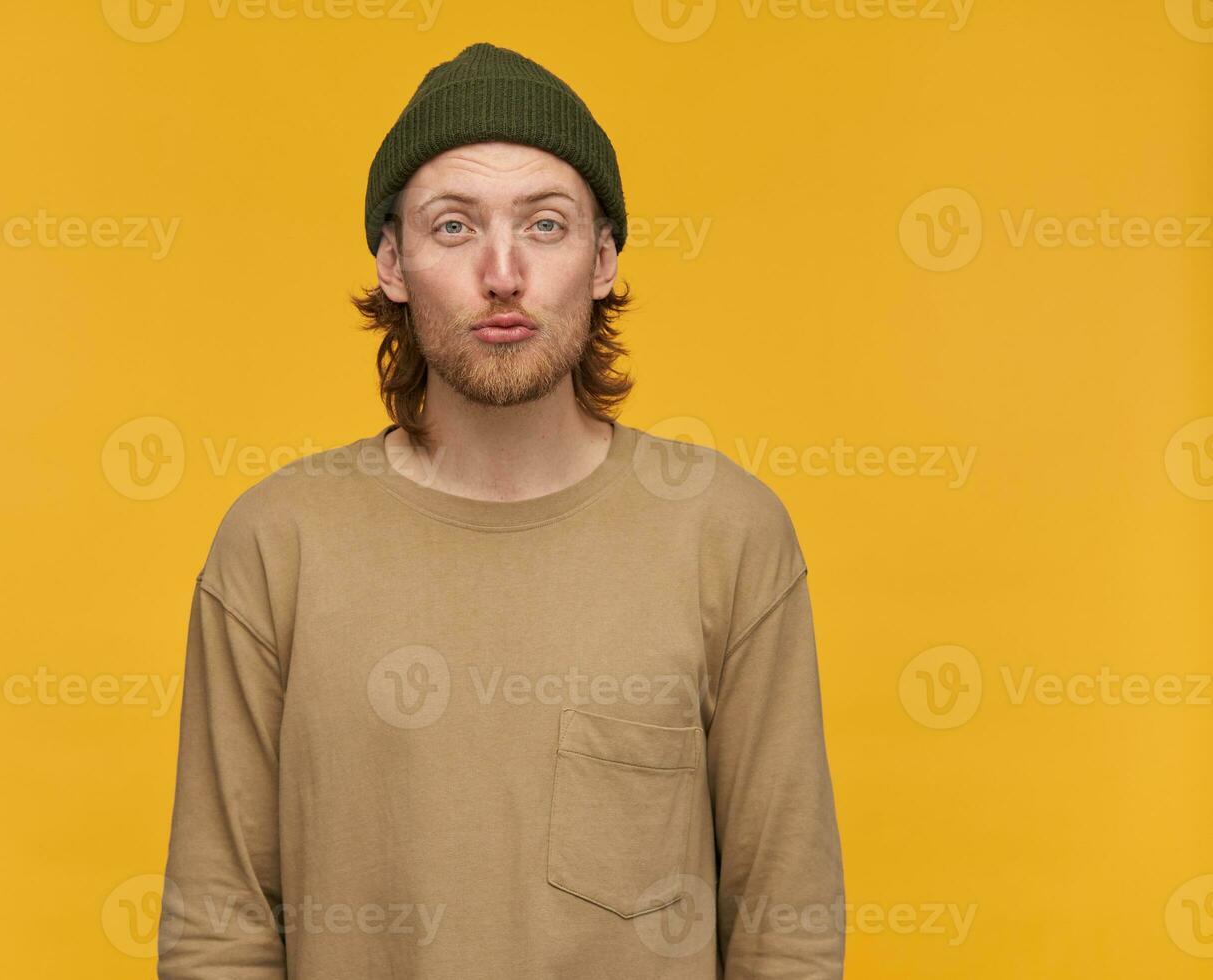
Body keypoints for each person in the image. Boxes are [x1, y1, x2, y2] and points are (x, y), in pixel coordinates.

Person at [157, 40, 846, 980]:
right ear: (393, 263)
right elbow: (218, 932)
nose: (503, 272)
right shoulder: (278, 545)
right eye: (452, 227)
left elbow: (787, 930)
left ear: (602, 259)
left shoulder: (724, 534)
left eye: (547, 225)